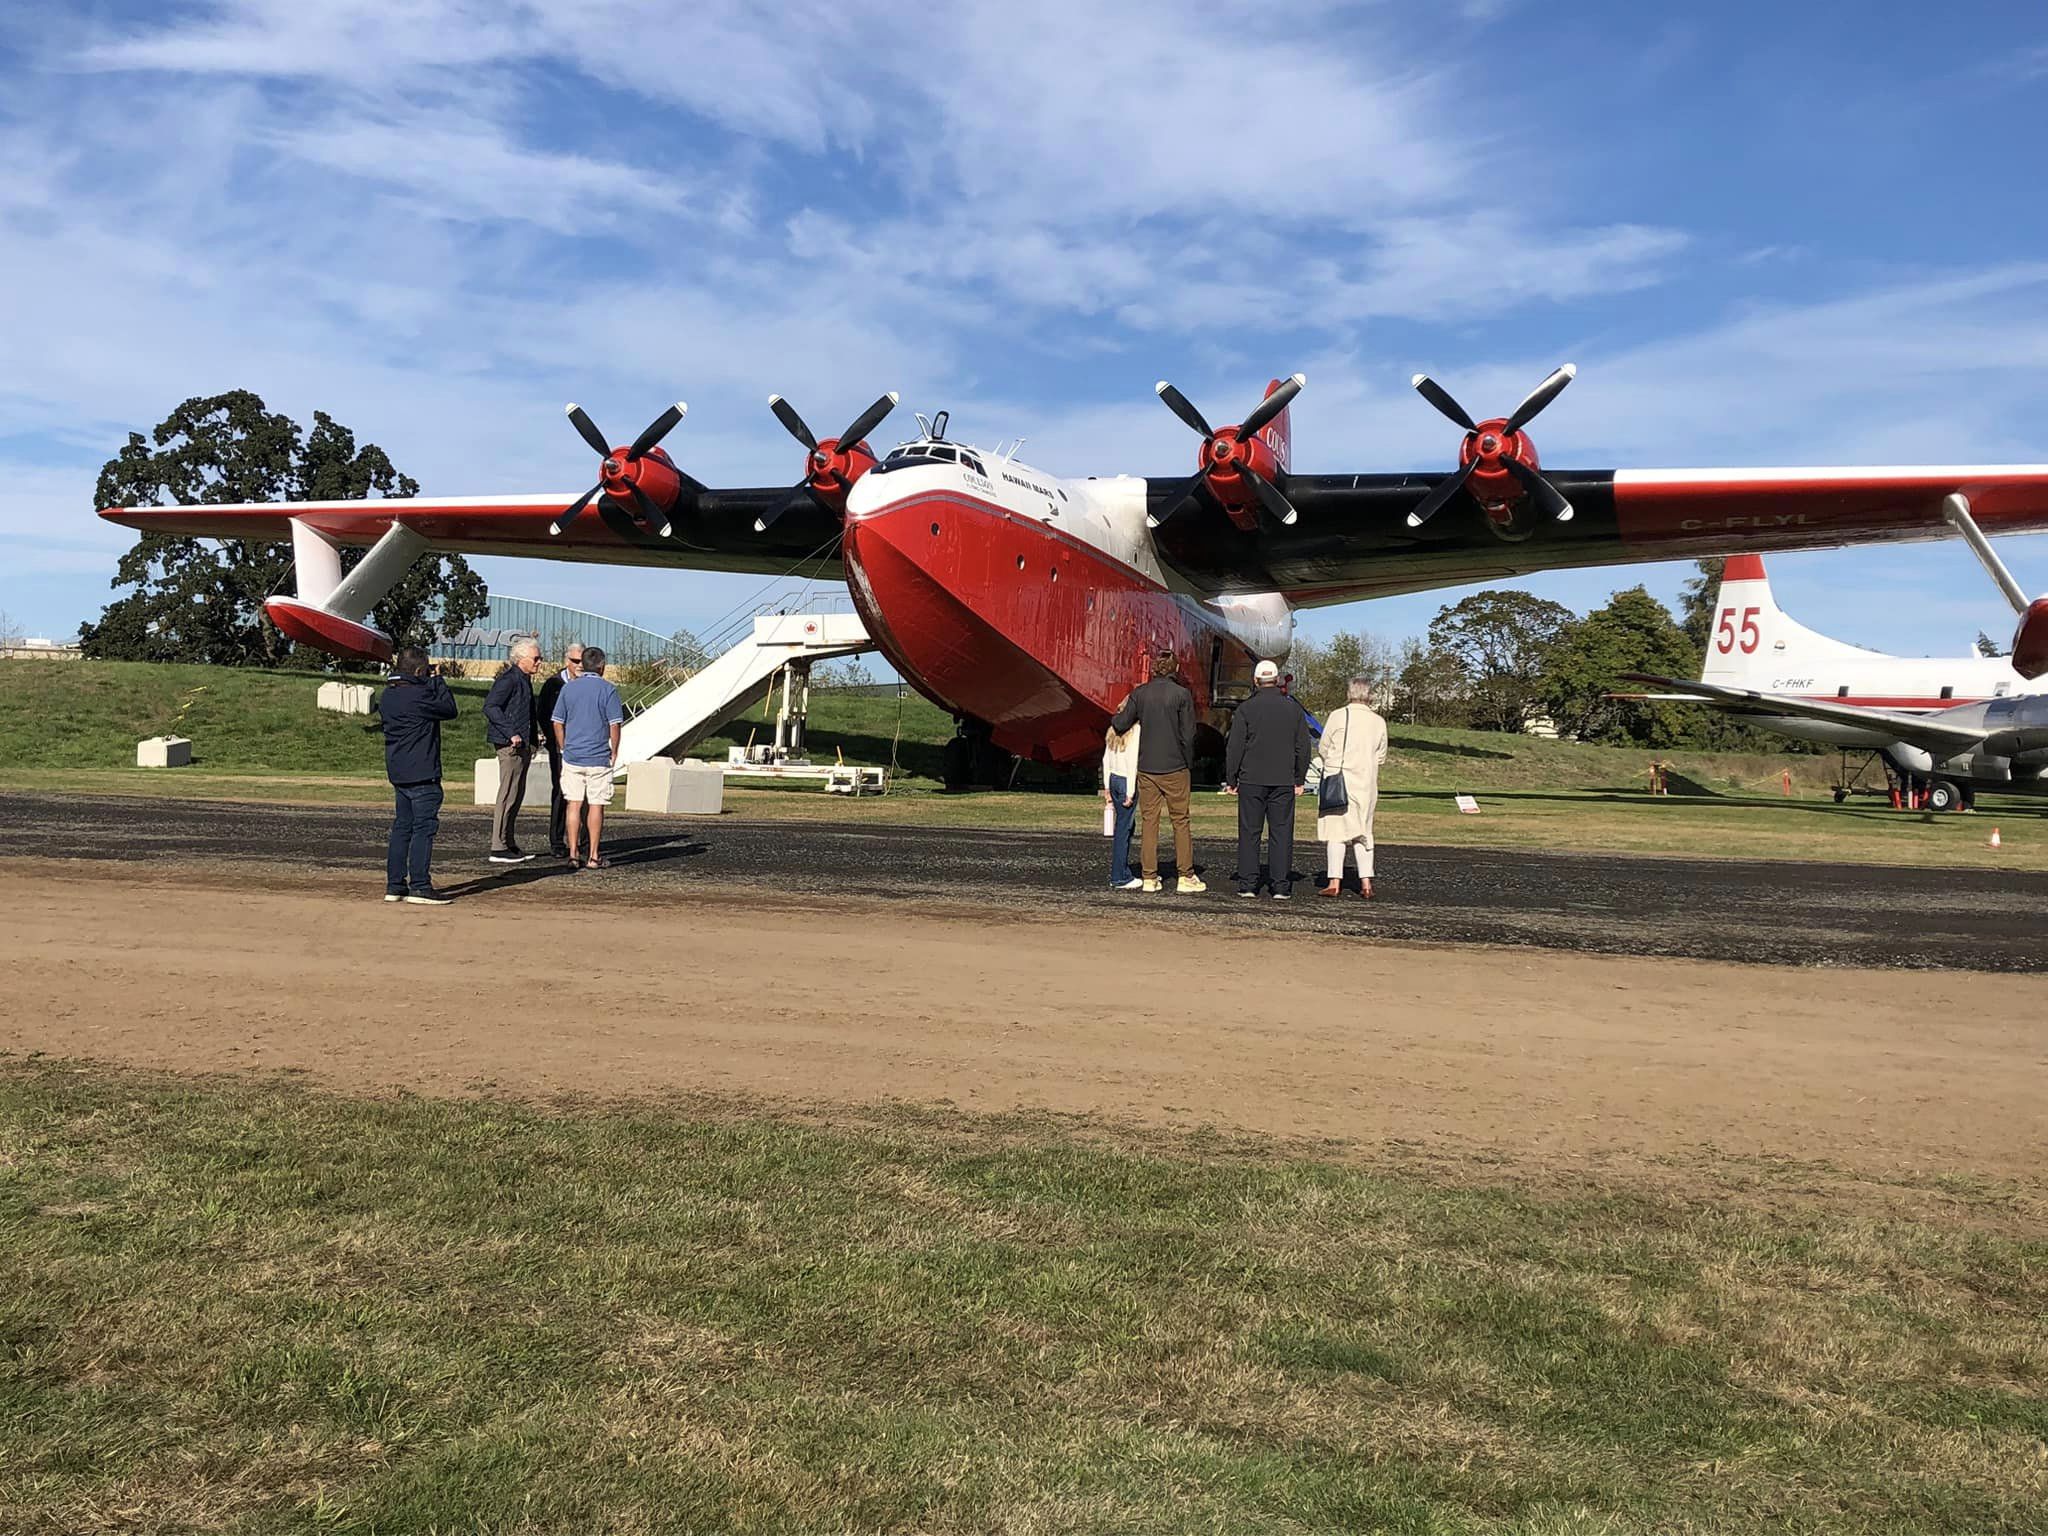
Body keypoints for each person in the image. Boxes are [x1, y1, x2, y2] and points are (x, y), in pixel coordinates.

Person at [1109, 649, 1203, 894]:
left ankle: (1149, 877)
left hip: (1147, 768)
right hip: (1176, 766)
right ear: (1177, 669)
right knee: (1180, 821)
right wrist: (1188, 762)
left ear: (1153, 669)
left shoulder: (1140, 694)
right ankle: (1186, 875)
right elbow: (1189, 735)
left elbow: (1120, 724)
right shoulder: (1182, 694)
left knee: (1150, 822)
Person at [377, 646, 459, 905]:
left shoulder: (388, 696)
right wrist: (437, 681)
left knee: (402, 827)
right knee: (423, 829)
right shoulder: (420, 695)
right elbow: (449, 709)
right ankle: (420, 885)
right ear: (419, 670)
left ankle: (395, 884)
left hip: (399, 770)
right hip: (423, 771)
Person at [1225, 659, 1312, 899]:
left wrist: (1231, 779)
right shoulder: (1292, 709)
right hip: (1283, 779)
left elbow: (1234, 748)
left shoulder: (1246, 709)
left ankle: (1248, 884)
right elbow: (1303, 747)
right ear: (1278, 680)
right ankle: (1280, 886)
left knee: (1250, 832)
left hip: (1251, 778)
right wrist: (1299, 778)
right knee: (1281, 832)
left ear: (1255, 681)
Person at [1305, 675, 1390, 899]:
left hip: (1339, 782)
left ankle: (1334, 881)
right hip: (1367, 783)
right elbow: (1381, 756)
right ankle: (1366, 882)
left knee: (1337, 832)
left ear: (1348, 694)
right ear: (1369, 695)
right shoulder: (1378, 721)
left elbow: (1323, 747)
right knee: (1364, 832)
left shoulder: (1337, 716)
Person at [550, 644, 624, 870]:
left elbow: (557, 722)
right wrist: (614, 749)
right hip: (598, 757)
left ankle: (572, 854)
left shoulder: (568, 688)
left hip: (573, 755)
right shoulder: (608, 690)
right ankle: (593, 855)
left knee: (573, 804)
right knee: (596, 805)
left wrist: (563, 747)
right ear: (602, 667)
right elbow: (615, 724)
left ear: (583, 664)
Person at [482, 638, 542, 863]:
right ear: (521, 659)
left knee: (516, 794)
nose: (539, 662)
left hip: (523, 746)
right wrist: (511, 733)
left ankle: (508, 842)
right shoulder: (509, 679)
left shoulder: (524, 680)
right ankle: (498, 846)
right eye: (536, 658)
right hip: (510, 747)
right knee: (507, 794)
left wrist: (534, 738)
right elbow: (490, 706)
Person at [535, 642, 584, 858]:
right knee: (561, 791)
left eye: (582, 661)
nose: (579, 665)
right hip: (558, 747)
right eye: (575, 661)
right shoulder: (553, 685)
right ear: (567, 661)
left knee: (583, 794)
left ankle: (581, 841)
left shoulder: (588, 685)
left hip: (582, 746)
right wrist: (553, 740)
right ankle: (557, 841)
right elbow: (543, 714)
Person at [1100, 712, 1141, 890]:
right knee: (1124, 829)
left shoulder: (1112, 729)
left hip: (1114, 778)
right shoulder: (1136, 730)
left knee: (1124, 826)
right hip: (1126, 780)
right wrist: (1131, 792)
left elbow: (1105, 758)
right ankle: (1119, 876)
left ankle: (1122, 870)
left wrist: (1106, 785)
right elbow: (1132, 763)